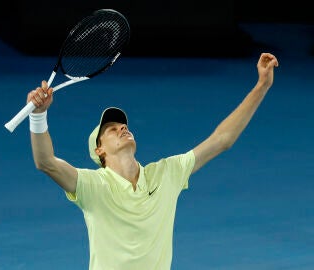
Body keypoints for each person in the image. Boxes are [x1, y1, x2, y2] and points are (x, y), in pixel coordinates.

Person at [26, 52, 279, 270]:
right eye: (112, 129)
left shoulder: (166, 173)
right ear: (99, 150)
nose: (122, 128)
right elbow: (45, 162)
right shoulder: (91, 186)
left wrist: (261, 86)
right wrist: (38, 115)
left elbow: (222, 139)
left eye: (123, 125)